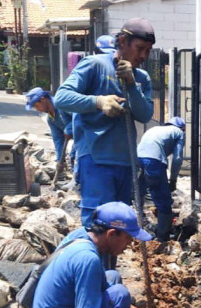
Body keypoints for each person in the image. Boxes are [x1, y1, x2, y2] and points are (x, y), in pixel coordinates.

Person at [54, 17, 155, 227]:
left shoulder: (141, 78)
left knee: (118, 228)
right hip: (96, 159)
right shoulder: (95, 65)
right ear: (122, 42)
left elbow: (144, 114)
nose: (143, 56)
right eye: (139, 48)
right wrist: (98, 102)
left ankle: (110, 262)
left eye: (148, 50)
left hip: (126, 162)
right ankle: (93, 261)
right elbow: (62, 98)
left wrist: (131, 84)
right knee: (97, 225)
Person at [31, 202, 161, 308]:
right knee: (120, 296)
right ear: (111, 234)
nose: (130, 244)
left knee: (112, 276)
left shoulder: (81, 235)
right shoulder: (88, 259)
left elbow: (103, 283)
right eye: (128, 238)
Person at [137, 117, 185, 241]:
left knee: (139, 192)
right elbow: (178, 159)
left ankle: (138, 225)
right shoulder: (178, 132)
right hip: (154, 161)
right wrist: (173, 179)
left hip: (138, 158)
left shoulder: (156, 129)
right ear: (182, 128)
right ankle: (163, 237)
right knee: (164, 201)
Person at [25, 87, 75, 169]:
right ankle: (76, 180)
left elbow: (80, 117)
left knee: (75, 156)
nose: (37, 109)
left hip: (87, 135)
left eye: (36, 106)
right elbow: (58, 140)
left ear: (43, 99)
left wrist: (69, 129)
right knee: (72, 158)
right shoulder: (50, 119)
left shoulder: (61, 104)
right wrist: (60, 160)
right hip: (78, 140)